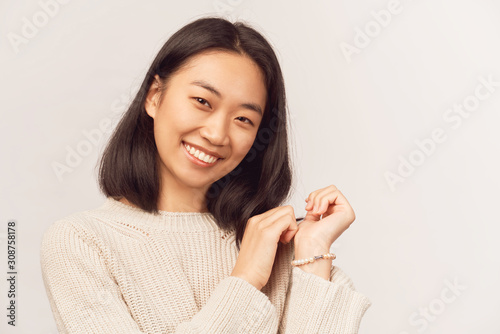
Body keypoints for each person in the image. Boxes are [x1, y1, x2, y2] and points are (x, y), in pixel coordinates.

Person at [40, 16, 371, 333]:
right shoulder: (81, 243)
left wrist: (312, 251)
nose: (216, 134)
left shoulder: (283, 249)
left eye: (243, 119)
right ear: (155, 96)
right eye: (202, 101)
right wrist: (245, 279)